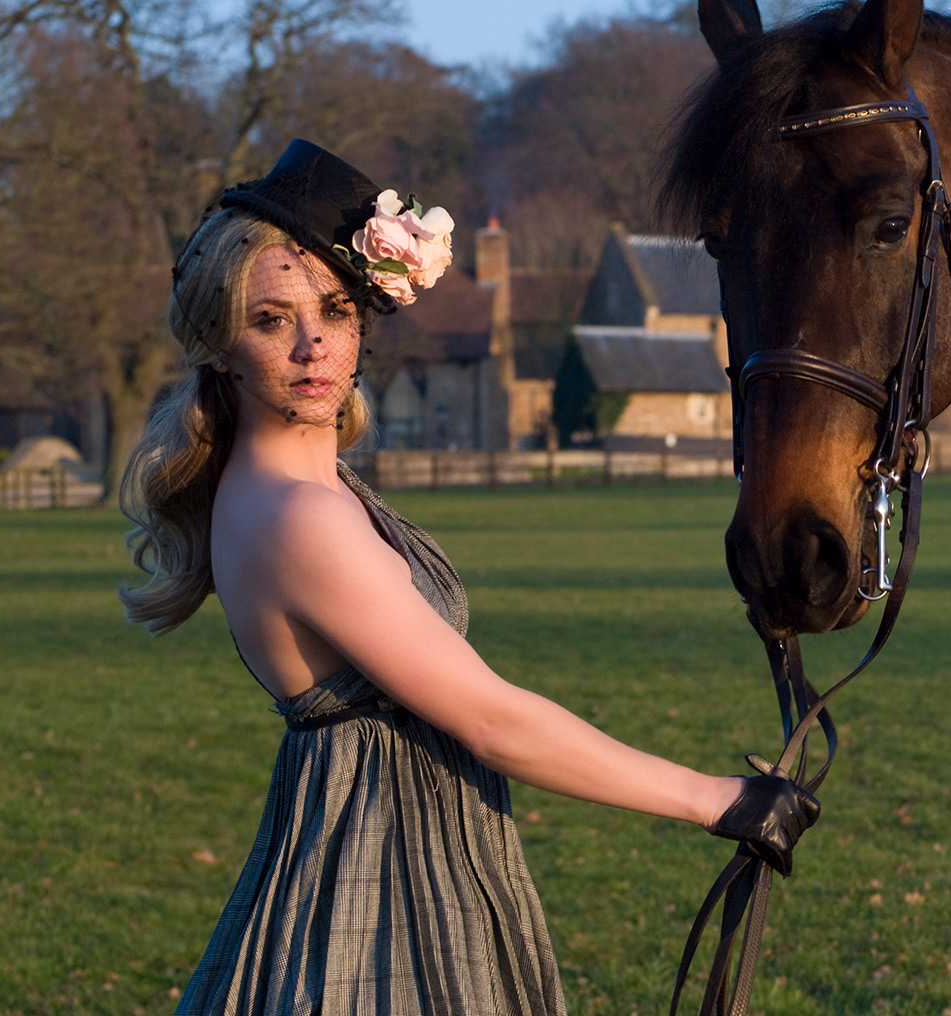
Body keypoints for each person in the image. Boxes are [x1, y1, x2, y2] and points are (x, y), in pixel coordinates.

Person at [118, 140, 818, 1014]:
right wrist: (717, 799)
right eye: (270, 320)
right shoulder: (299, 516)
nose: (311, 346)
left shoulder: (300, 484)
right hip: (375, 883)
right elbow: (490, 721)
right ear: (221, 346)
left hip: (399, 849)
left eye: (333, 310)